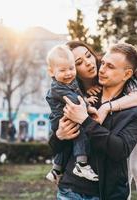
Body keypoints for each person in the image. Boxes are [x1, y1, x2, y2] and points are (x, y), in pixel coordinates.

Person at [49, 43, 137, 200]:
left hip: (108, 194)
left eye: (110, 66)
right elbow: (55, 146)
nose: (101, 69)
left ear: (126, 74)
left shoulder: (135, 112)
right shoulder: (83, 100)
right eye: (103, 64)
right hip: (71, 191)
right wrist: (59, 135)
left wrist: (86, 120)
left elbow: (120, 150)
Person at [45, 45, 99, 184]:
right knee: (80, 133)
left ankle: (56, 169)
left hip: (68, 115)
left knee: (70, 141)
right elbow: (74, 99)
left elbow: (77, 94)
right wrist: (87, 105)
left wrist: (86, 98)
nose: (68, 73)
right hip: (61, 119)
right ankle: (81, 164)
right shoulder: (58, 87)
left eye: (71, 68)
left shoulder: (71, 81)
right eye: (63, 70)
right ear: (51, 72)